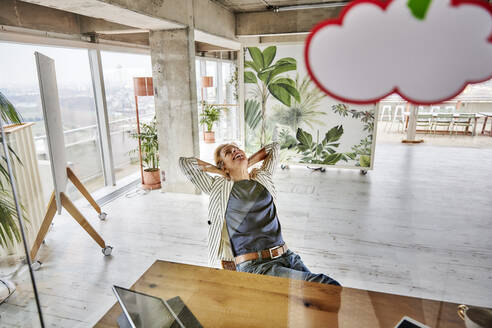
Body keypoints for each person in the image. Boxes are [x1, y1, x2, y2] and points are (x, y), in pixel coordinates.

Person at [179, 142, 339, 285]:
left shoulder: (262, 178)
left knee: (321, 296)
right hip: (257, 266)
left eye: (237, 149)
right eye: (229, 152)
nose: (235, 151)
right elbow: (185, 163)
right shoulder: (219, 187)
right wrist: (221, 172)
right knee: (327, 285)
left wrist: (245, 164)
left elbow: (274, 148)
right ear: (223, 165)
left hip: (288, 256)